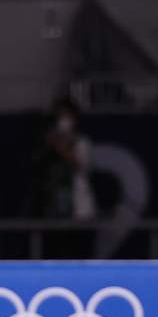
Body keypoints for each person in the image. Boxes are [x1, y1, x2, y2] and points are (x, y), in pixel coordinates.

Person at [26, 96, 97, 258]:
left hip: (78, 211)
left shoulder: (81, 142)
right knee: (54, 254)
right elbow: (36, 165)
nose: (63, 120)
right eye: (59, 116)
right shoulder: (46, 143)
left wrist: (60, 145)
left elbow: (82, 164)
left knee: (79, 255)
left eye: (66, 116)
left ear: (74, 118)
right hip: (52, 209)